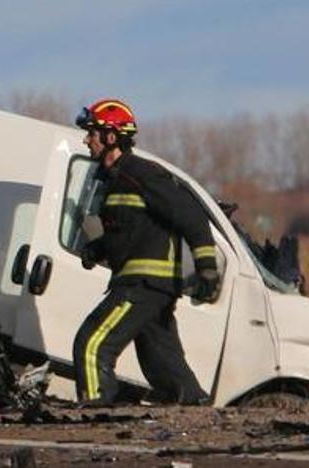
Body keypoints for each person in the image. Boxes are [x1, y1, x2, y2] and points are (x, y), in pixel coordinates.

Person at [71, 99, 220, 406]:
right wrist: (98, 248)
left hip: (145, 283)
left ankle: (95, 410)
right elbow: (129, 231)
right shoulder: (114, 182)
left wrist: (206, 266)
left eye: (92, 133)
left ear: (111, 136)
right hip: (144, 284)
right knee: (163, 365)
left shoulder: (143, 174)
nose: (86, 140)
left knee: (92, 345)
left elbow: (191, 215)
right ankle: (193, 406)